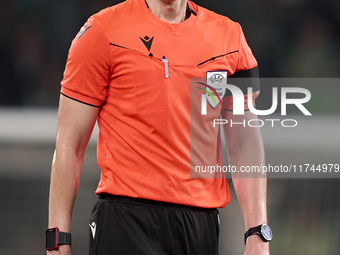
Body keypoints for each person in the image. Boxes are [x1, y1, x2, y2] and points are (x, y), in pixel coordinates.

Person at [46, 0, 271, 254]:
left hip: (199, 226)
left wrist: (258, 232)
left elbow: (244, 144)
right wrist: (57, 241)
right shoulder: (101, 31)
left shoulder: (230, 37)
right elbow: (69, 145)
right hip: (125, 221)